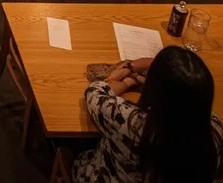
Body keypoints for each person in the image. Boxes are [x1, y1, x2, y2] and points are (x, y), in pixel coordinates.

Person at [74, 46, 223, 183]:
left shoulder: (133, 124)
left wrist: (128, 76)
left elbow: (94, 92)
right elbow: (185, 98)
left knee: (72, 148)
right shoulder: (215, 133)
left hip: (101, 175)